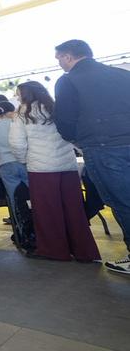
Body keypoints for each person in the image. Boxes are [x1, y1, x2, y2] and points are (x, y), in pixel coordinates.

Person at [53, 39, 130, 274]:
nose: (60, 65)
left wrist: (75, 139)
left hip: (102, 146)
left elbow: (65, 120)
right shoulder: (122, 74)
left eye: (59, 59)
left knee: (122, 202)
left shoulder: (68, 80)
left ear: (68, 57)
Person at [9, 81, 100, 262]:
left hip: (41, 168)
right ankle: (84, 251)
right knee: (74, 210)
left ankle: (54, 250)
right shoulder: (56, 107)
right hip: (67, 166)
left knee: (47, 211)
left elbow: (17, 143)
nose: (17, 97)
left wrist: (24, 159)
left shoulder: (23, 111)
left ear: (26, 94)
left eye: (18, 93)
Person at [0, 101, 34, 247]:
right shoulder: (21, 123)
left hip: (6, 165)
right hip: (26, 162)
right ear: (12, 111)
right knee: (34, 196)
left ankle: (22, 233)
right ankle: (41, 231)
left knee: (14, 200)